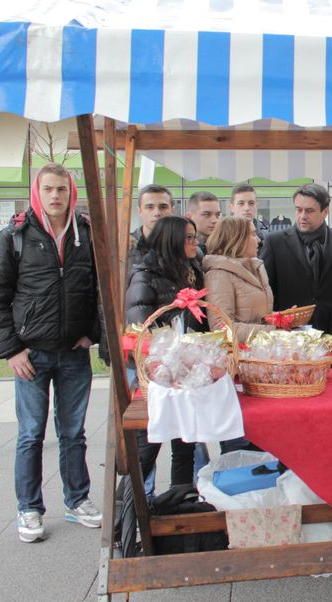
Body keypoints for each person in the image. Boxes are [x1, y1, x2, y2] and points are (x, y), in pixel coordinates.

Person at [0, 162, 103, 543]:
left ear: (71, 192)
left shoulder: (86, 234)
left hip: (73, 354)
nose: (55, 196)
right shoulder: (14, 236)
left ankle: (77, 499)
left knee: (73, 433)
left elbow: (101, 290)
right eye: (48, 189)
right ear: (37, 192)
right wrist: (11, 351)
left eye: (61, 189)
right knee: (31, 435)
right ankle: (29, 507)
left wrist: (92, 333)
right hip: (30, 356)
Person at [125, 216, 205, 493]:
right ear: (172, 241)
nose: (195, 243)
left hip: (186, 373)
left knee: (185, 443)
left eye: (195, 237)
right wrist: (164, 363)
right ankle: (128, 505)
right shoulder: (145, 274)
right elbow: (140, 327)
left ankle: (179, 500)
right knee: (147, 447)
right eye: (189, 238)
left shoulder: (192, 269)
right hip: (157, 376)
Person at [260, 184, 332, 347]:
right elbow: (264, 292)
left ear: (325, 212)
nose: (302, 216)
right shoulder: (274, 242)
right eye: (298, 209)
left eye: (309, 211)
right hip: (288, 339)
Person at [202, 217, 273, 343]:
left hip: (260, 347)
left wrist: (283, 319)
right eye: (253, 234)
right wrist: (272, 331)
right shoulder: (219, 274)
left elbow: (259, 316)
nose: (258, 239)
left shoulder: (257, 267)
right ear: (237, 239)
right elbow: (221, 328)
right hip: (239, 352)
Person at [128, 184, 174, 268]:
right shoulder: (124, 247)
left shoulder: (185, 246)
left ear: (172, 211)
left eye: (163, 207)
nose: (157, 213)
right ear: (139, 211)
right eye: (149, 207)